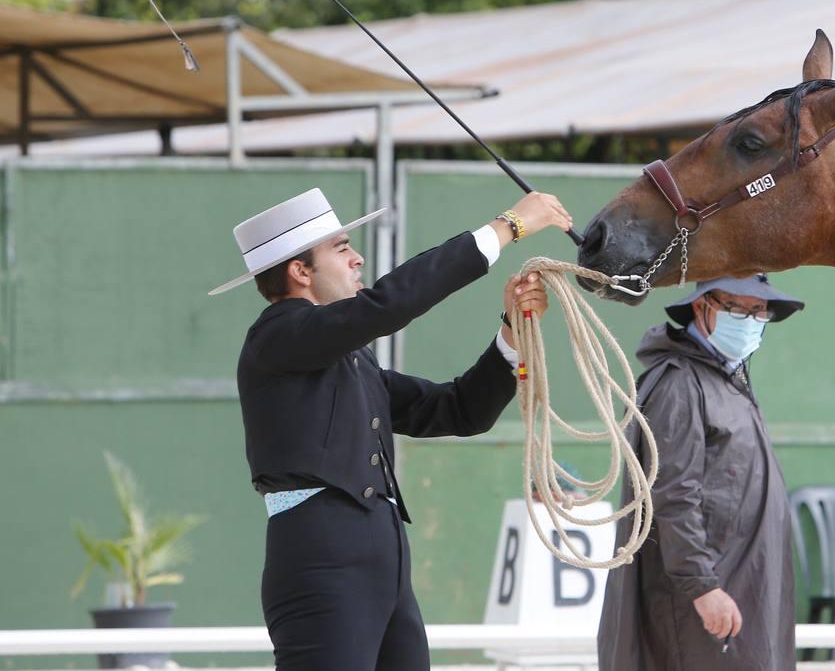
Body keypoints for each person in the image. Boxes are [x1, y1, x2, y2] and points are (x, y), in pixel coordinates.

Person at [209, 186, 572, 671]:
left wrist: (512, 330)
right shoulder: (276, 336)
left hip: (383, 559)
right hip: (323, 556)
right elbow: (386, 306)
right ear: (300, 272)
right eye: (341, 248)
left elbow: (459, 410)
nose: (357, 259)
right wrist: (508, 226)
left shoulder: (350, 359)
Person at [598, 274, 805, 671]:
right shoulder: (681, 382)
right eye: (736, 307)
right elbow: (673, 494)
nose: (749, 319)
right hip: (702, 601)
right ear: (701, 305)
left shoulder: (726, 378)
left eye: (758, 310)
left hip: (742, 591)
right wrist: (702, 586)